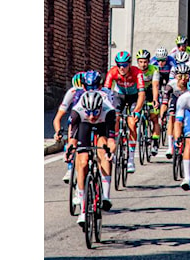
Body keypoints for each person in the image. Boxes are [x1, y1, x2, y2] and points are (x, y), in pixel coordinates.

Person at [69, 91, 116, 225]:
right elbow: (72, 139)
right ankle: (83, 211)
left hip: (103, 126)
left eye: (95, 112)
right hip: (83, 126)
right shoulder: (77, 112)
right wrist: (70, 150)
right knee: (83, 162)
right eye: (88, 112)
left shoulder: (109, 111)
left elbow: (111, 141)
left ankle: (105, 196)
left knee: (103, 149)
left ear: (100, 108)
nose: (91, 116)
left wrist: (109, 152)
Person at [104, 51, 146, 173]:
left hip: (134, 96)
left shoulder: (137, 73)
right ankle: (115, 146)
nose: (122, 67)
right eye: (119, 65)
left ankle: (131, 159)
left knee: (132, 122)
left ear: (129, 64)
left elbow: (142, 94)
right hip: (119, 95)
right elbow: (105, 93)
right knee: (115, 118)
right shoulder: (112, 72)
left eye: (125, 65)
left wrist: (137, 111)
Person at [53, 71, 85, 183]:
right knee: (71, 138)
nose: (79, 93)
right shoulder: (71, 92)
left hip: (91, 117)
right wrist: (58, 132)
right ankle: (70, 168)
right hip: (76, 117)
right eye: (77, 91)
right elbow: (57, 118)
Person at [161, 64, 190, 158]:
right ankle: (170, 147)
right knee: (172, 116)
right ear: (176, 76)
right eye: (180, 76)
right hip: (175, 99)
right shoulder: (171, 85)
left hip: (187, 101)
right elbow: (165, 102)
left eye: (186, 76)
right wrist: (162, 114)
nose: (183, 79)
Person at [136, 49, 161, 155]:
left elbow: (155, 85)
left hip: (151, 91)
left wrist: (155, 100)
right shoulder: (135, 71)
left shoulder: (154, 69)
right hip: (139, 91)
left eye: (145, 62)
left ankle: (155, 142)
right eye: (141, 62)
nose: (143, 64)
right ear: (137, 62)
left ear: (149, 61)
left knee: (154, 117)